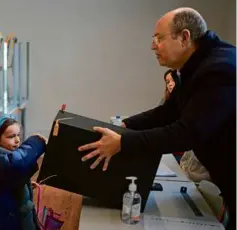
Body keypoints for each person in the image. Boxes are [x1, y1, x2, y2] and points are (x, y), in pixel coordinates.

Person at [78, 7, 236, 229]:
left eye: (159, 38)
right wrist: (125, 125)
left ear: (184, 37)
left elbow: (187, 133)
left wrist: (123, 142)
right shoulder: (194, 66)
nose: (153, 45)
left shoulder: (219, 70)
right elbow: (168, 112)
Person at [0, 114, 40, 230]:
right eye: (11, 136)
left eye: (18, 135)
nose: (17, 140)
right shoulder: (1, 161)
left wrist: (25, 186)